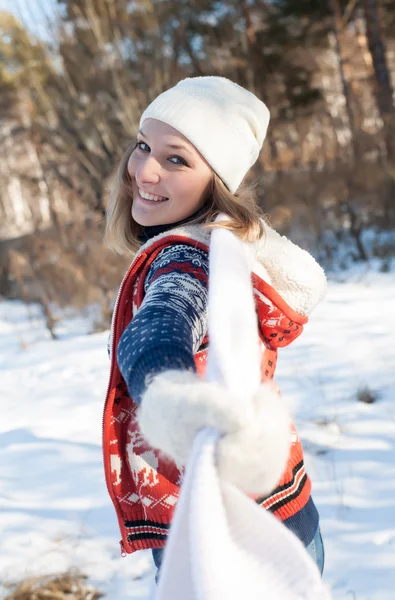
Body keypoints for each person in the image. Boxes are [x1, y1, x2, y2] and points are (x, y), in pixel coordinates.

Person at [102, 76, 327, 585]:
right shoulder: (229, 245)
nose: (145, 170)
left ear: (217, 181)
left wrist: (167, 389)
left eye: (176, 159)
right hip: (281, 508)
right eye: (143, 146)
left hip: (221, 530)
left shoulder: (185, 258)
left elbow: (164, 320)